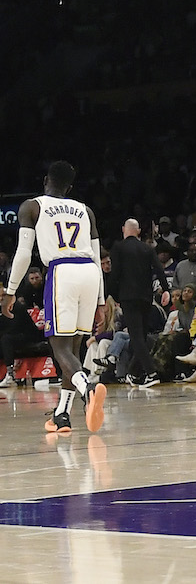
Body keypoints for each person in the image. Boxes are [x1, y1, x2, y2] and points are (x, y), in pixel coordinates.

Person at [2, 161, 108, 433]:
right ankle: (62, 414)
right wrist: (100, 300)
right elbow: (97, 257)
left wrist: (11, 290)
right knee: (73, 350)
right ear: (70, 187)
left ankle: (89, 389)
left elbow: (24, 253)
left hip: (62, 271)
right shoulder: (86, 210)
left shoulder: (32, 206)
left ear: (46, 179)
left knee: (59, 348)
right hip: (89, 273)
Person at [109, 218, 170, 387]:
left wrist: (112, 295)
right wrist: (166, 289)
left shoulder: (118, 247)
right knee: (141, 337)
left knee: (136, 337)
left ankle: (151, 373)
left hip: (128, 297)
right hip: (146, 297)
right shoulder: (147, 248)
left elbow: (115, 274)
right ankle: (134, 373)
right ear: (138, 231)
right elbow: (159, 269)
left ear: (124, 229)